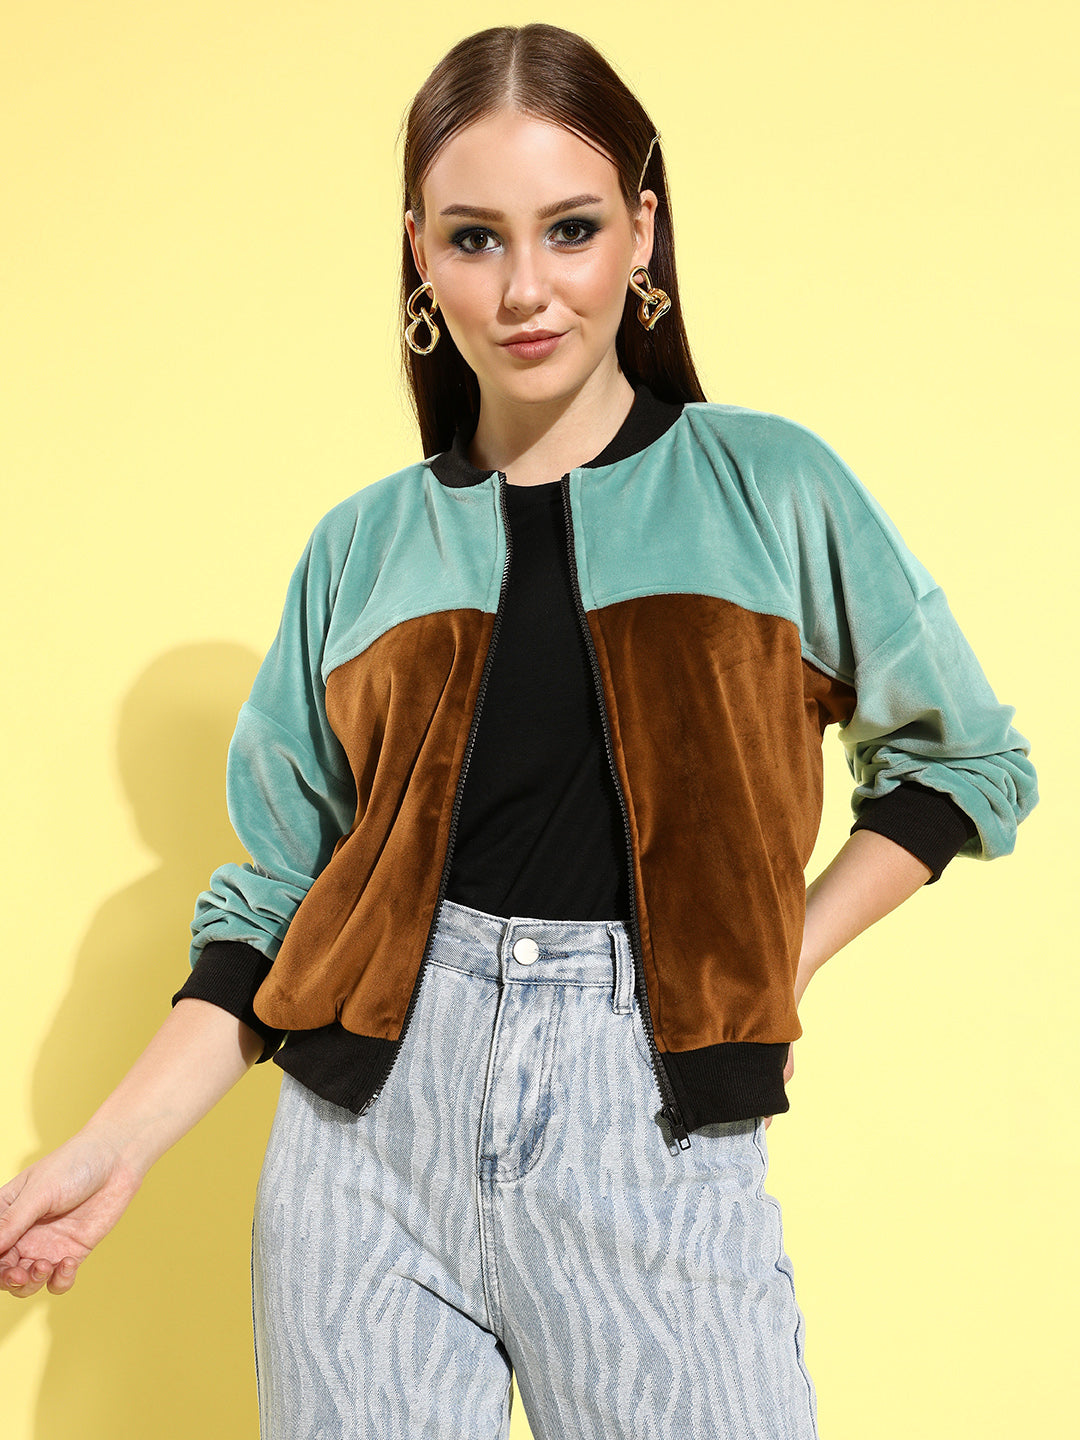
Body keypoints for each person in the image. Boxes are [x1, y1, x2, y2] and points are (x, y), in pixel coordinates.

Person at [0, 21, 1037, 1440]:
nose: (528, 287)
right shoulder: (359, 549)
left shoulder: (770, 488)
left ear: (643, 230)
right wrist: (110, 1150)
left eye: (572, 228)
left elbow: (966, 763)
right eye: (476, 238)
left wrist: (770, 959)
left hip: (649, 1127)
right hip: (364, 1145)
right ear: (420, 253)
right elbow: (275, 904)